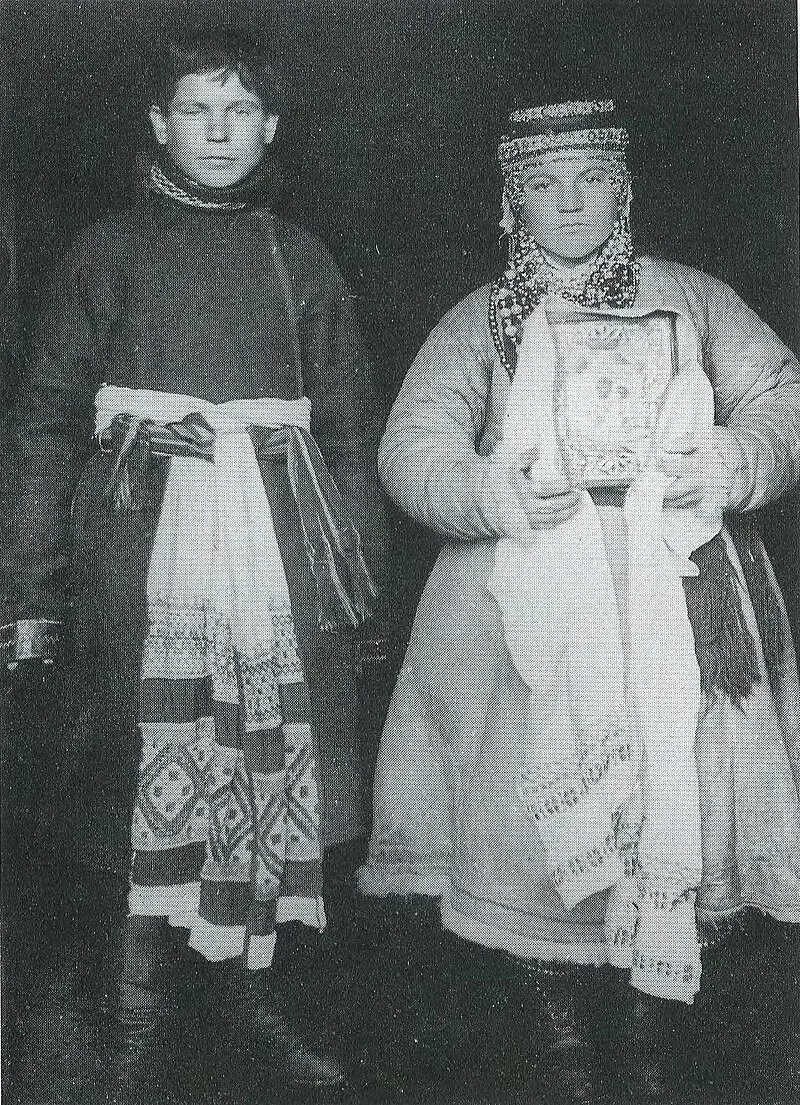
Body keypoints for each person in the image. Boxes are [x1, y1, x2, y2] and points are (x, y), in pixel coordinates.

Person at [358, 99, 800, 1103]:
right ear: (508, 200)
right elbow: (411, 440)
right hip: (523, 605)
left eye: (589, 179)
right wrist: (486, 491)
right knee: (526, 833)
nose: (567, 202)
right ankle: (562, 1050)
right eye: (541, 184)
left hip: (677, 588)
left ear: (624, 189)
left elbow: (780, 393)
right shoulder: (481, 317)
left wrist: (735, 457)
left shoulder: (688, 297)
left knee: (672, 801)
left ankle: (644, 1041)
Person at [1, 28, 387, 1104]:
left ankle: (249, 1007)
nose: (217, 134)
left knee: (263, 771)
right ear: (158, 125)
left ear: (269, 127)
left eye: (239, 112)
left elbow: (349, 426)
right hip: (137, 544)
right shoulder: (105, 251)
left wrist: (350, 582)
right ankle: (125, 1023)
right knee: (137, 772)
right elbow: (40, 422)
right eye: (194, 111)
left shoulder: (298, 256)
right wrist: (30, 584)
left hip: (276, 554)